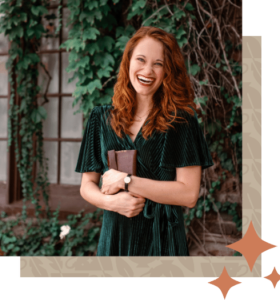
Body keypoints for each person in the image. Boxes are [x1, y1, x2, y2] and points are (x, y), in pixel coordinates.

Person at [75, 26, 214, 256]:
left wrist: (127, 181)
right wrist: (111, 203)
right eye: (141, 59)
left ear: (168, 71)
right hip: (114, 240)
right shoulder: (100, 119)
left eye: (158, 63)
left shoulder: (181, 122)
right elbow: (87, 185)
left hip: (162, 242)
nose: (147, 70)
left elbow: (189, 195)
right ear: (128, 61)